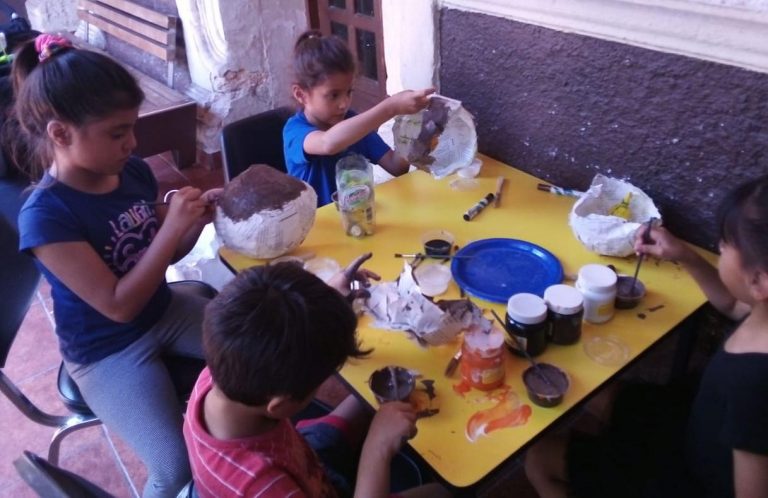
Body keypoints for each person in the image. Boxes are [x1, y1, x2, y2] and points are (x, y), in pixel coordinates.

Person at [14, 34, 220, 497]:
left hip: (162, 309)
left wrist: (193, 220)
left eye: (132, 127)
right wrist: (170, 231)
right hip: (107, 353)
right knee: (175, 467)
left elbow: (159, 253)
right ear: (60, 134)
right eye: (116, 132)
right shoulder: (46, 216)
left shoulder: (130, 173)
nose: (132, 142)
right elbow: (117, 306)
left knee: (258, 350)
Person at [524, 175, 768, 498]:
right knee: (592, 389)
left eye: (724, 245)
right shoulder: (759, 311)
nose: (718, 249)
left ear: (760, 281)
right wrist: (684, 254)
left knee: (538, 460)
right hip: (690, 421)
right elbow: (730, 303)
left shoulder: (755, 386)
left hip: (686, 477)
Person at [184, 253, 452, 498]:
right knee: (442, 493)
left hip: (303, 456)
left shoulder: (226, 368)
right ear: (280, 406)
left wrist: (322, 304)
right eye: (319, 382)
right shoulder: (262, 487)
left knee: (369, 401)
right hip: (301, 478)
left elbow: (273, 322)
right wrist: (376, 451)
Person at [284, 30, 434, 206]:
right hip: (317, 227)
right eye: (333, 95)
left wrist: (416, 131)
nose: (344, 103)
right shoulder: (295, 131)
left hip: (358, 215)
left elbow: (397, 167)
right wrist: (391, 107)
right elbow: (328, 143)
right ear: (301, 95)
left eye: (349, 92)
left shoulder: (353, 125)